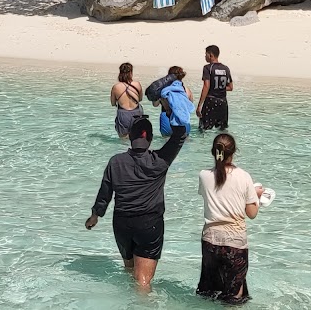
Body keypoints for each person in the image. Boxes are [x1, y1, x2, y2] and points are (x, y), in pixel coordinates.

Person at [86, 116, 188, 292]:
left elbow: (105, 192)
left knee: (129, 273)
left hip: (121, 224)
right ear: (150, 138)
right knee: (142, 283)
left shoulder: (115, 161)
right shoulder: (160, 160)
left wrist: (95, 215)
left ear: (130, 137)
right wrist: (172, 111)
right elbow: (180, 134)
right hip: (149, 225)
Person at [196, 133, 262, 304]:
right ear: (234, 152)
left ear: (213, 151)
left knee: (208, 295)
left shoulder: (204, 175)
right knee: (233, 299)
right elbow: (252, 213)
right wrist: (257, 196)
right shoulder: (244, 176)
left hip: (210, 241)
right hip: (235, 244)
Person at [198, 45, 233, 132]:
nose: (205, 56)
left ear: (210, 55)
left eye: (206, 54)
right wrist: (219, 88)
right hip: (223, 103)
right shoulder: (226, 69)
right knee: (221, 130)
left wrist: (199, 105)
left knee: (204, 129)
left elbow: (206, 86)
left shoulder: (207, 68)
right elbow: (230, 87)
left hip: (211, 101)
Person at [111, 62, 145, 139]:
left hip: (123, 114)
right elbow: (140, 99)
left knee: (123, 139)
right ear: (131, 72)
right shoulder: (137, 84)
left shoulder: (116, 87)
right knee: (137, 137)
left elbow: (113, 103)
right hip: (136, 113)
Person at [156, 66, 193, 136]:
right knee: (184, 143)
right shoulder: (186, 91)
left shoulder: (163, 90)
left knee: (167, 144)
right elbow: (189, 107)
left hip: (167, 122)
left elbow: (155, 104)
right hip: (184, 123)